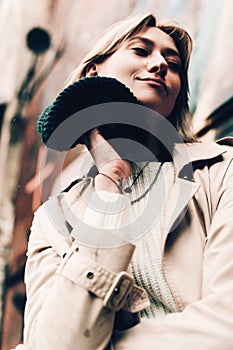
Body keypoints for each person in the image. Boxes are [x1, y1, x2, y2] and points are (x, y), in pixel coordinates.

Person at [14, 13, 233, 350]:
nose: (160, 63)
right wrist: (110, 186)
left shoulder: (221, 170)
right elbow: (55, 343)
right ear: (94, 71)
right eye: (142, 51)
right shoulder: (53, 222)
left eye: (172, 64)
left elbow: (226, 324)